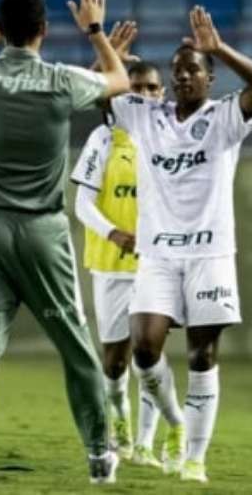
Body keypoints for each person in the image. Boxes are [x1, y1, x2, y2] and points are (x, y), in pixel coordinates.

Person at [0, 0, 129, 484]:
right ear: (45, 31)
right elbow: (119, 80)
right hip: (42, 234)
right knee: (74, 345)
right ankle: (99, 455)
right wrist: (95, 30)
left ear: (3, 28)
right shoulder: (62, 81)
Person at [102, 6, 252, 483]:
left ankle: (194, 458)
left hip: (210, 253)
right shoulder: (146, 116)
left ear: (210, 78)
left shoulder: (225, 118)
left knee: (202, 356)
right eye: (176, 71)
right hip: (158, 254)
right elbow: (102, 92)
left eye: (192, 69)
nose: (182, 77)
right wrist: (107, 57)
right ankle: (175, 423)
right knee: (143, 347)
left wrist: (218, 46)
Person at [71, 53, 164, 467]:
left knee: (150, 354)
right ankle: (121, 427)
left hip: (156, 264)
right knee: (114, 361)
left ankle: (144, 442)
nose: (144, 94)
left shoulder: (171, 136)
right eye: (136, 87)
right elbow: (81, 203)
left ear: (162, 93)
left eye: (152, 88)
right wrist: (116, 233)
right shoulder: (103, 140)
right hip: (110, 263)